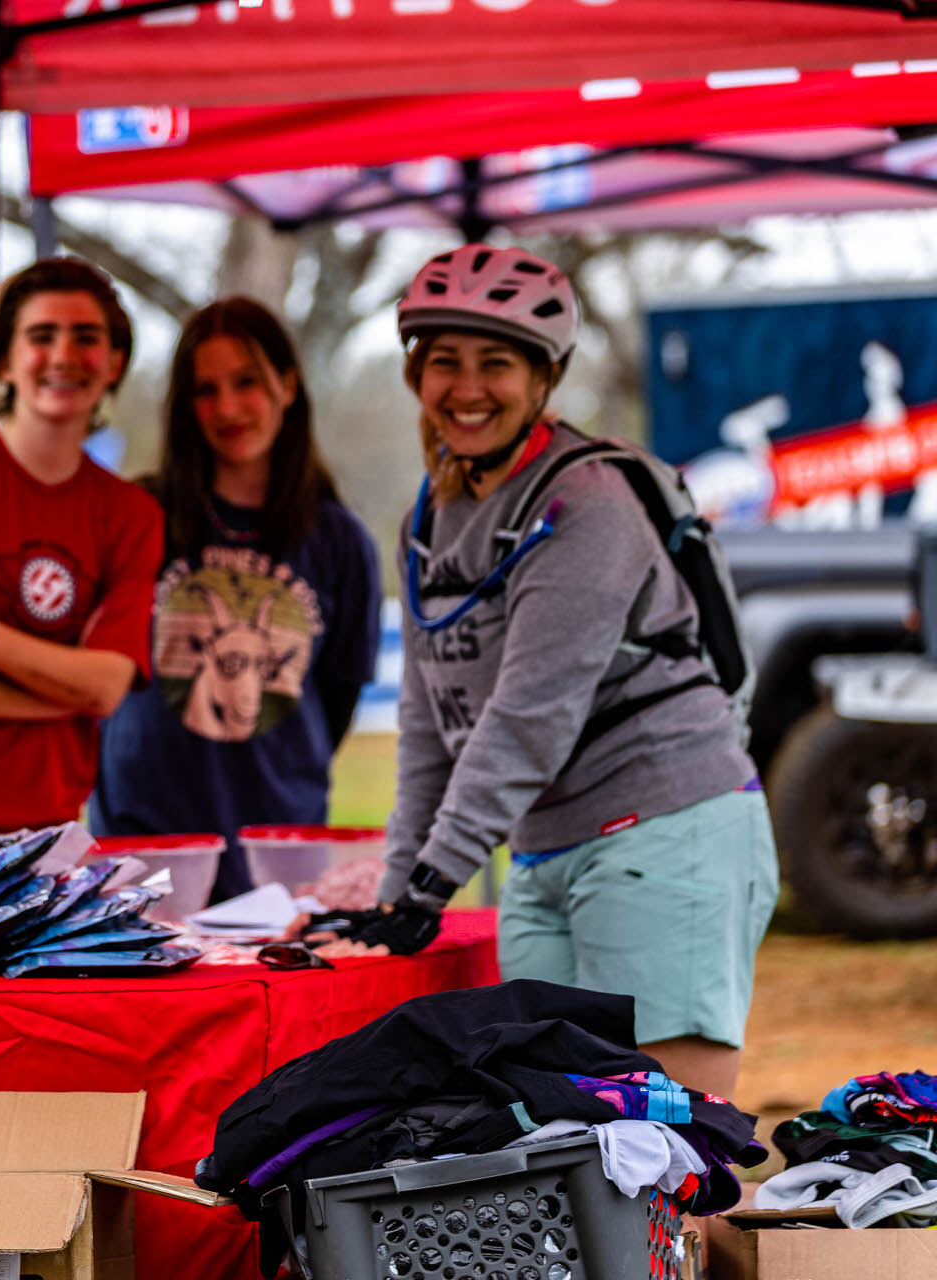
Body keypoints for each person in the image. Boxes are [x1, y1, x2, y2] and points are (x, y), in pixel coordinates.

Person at [303, 244, 778, 1101]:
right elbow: (431, 716)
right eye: (444, 361)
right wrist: (396, 889)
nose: (468, 386)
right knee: (561, 1133)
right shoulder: (438, 510)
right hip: (546, 852)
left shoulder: (585, 502)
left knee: (669, 1134)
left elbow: (528, 715)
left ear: (543, 378)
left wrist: (431, 882)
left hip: (663, 830)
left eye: (498, 362)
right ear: (416, 371)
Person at [92, 297, 381, 904]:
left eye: (246, 382)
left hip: (278, 848)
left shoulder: (338, 540)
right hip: (147, 848)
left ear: (288, 385)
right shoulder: (138, 515)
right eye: (206, 390)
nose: (227, 408)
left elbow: (336, 700)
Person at [0, 257, 163, 834]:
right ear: (1, 360)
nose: (65, 356)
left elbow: (109, 684)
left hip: (57, 831)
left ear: (114, 363)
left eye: (86, 338)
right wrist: (66, 690)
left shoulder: (132, 515)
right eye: (42, 336)